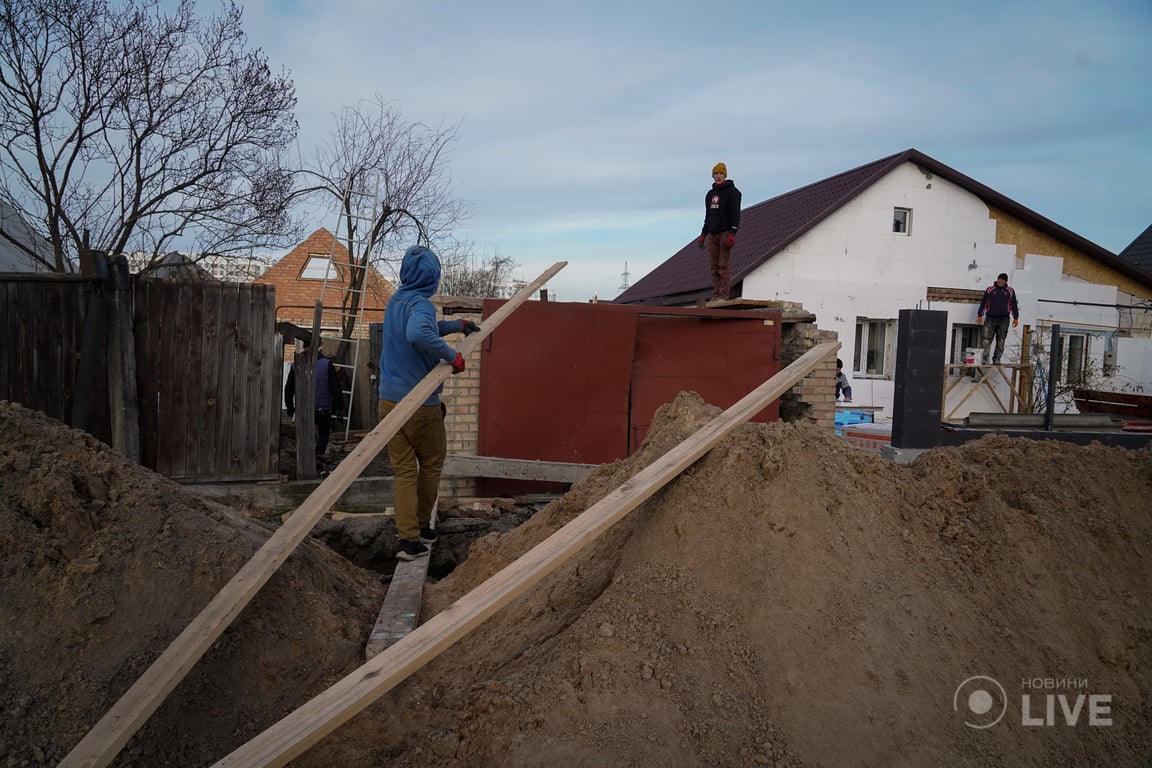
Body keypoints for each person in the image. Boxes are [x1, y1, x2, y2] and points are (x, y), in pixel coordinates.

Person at [378, 244, 480, 561]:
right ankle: (422, 527)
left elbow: (423, 328)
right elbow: (419, 334)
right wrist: (453, 356)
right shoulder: (421, 304)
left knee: (404, 472)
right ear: (432, 278)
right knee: (432, 464)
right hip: (419, 404)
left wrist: (456, 326)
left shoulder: (396, 301)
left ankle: (408, 540)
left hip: (388, 402)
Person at [284, 336, 344, 467]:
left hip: (303, 408)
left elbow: (289, 388)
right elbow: (335, 388)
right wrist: (340, 407)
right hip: (323, 408)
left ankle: (306, 457)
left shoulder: (296, 365)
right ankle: (318, 455)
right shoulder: (326, 364)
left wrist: (290, 407)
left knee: (305, 433)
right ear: (318, 346)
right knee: (323, 432)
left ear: (303, 346)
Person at [697, 162, 741, 301]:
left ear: (725, 175)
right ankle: (715, 294)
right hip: (712, 233)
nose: (718, 176)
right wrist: (703, 234)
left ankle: (723, 295)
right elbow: (708, 215)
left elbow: (736, 214)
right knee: (714, 267)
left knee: (723, 265)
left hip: (725, 232)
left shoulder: (733, 192)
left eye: (720, 173)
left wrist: (732, 233)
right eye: (715, 174)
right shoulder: (710, 194)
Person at [976, 272, 1020, 364]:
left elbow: (1014, 305)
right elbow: (984, 303)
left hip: (1004, 319)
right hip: (990, 318)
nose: (1000, 281)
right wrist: (980, 315)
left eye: (1002, 280)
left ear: (1005, 282)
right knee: (986, 339)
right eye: (999, 279)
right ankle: (984, 359)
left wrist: (1016, 317)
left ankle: (997, 359)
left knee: (1001, 340)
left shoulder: (1010, 291)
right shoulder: (990, 290)